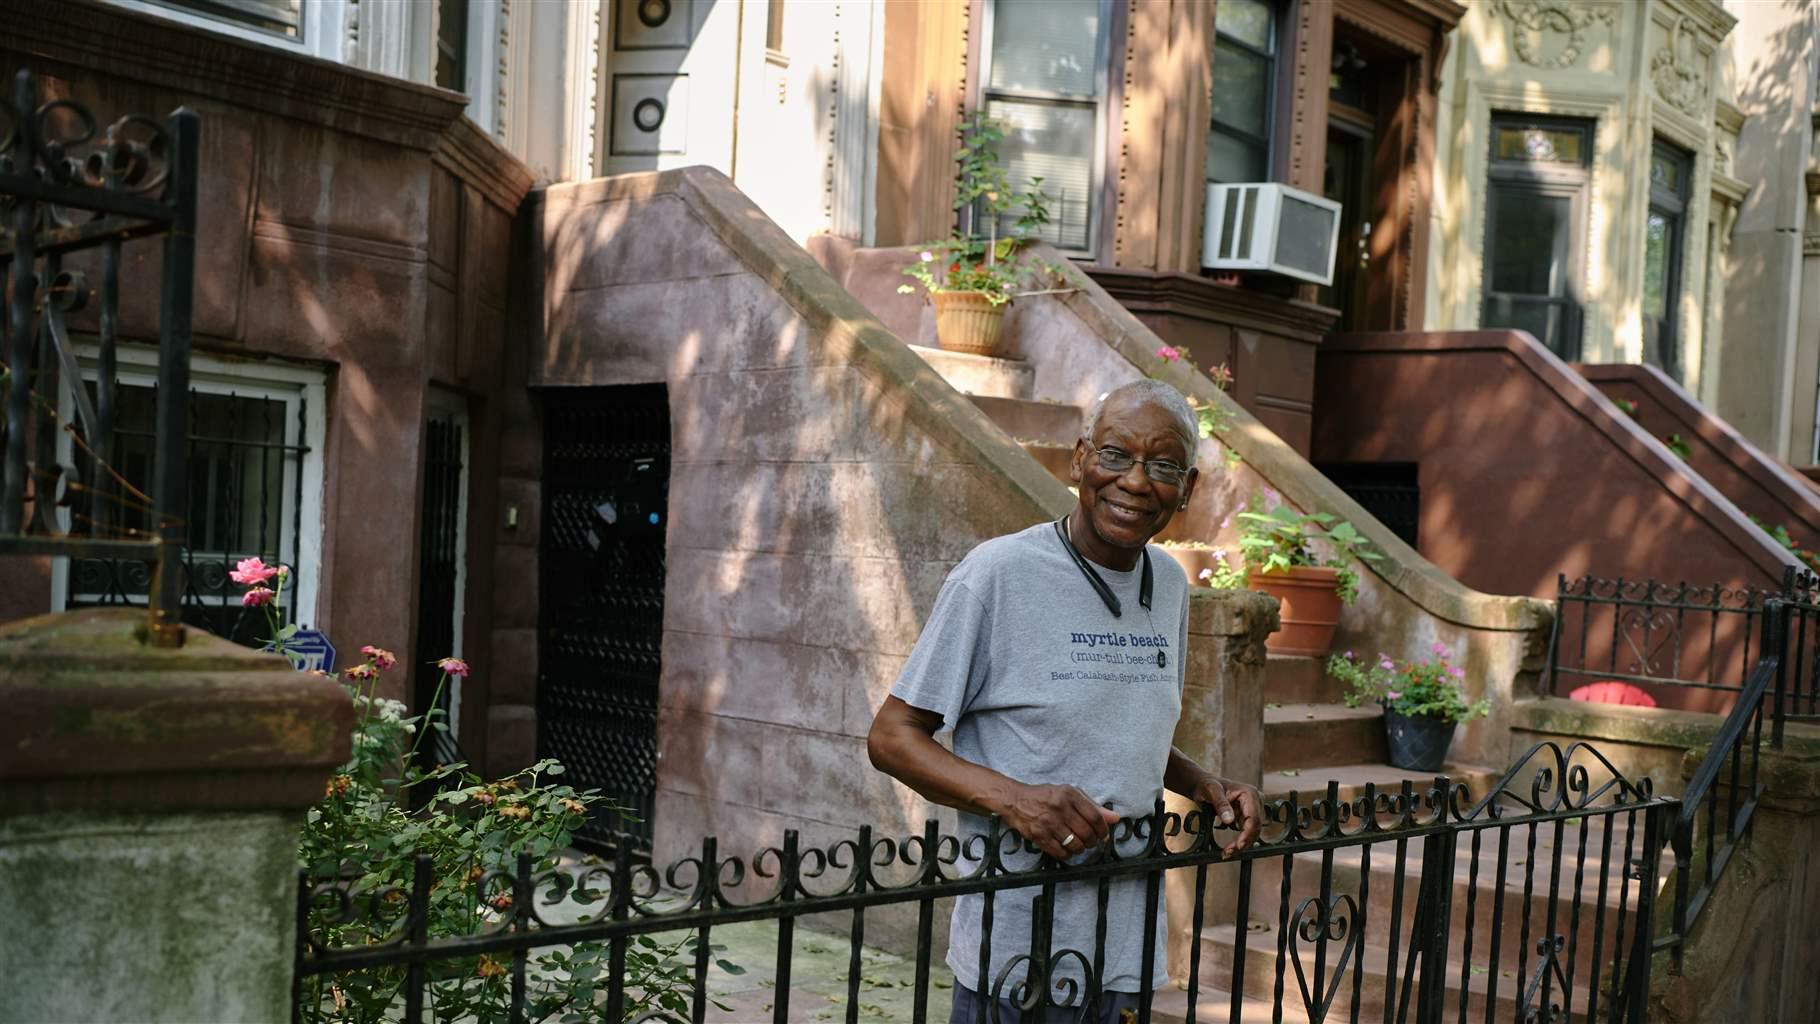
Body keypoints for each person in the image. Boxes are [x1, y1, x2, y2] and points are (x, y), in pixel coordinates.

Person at [867, 378, 1264, 1024]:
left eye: (1163, 465)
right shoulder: (996, 575)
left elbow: (1119, 720)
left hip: (1125, 942)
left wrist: (1205, 783)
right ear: (1079, 459)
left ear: (1187, 489)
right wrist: (1015, 799)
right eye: (1115, 455)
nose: (1135, 482)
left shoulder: (1168, 583)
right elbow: (891, 736)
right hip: (1020, 946)